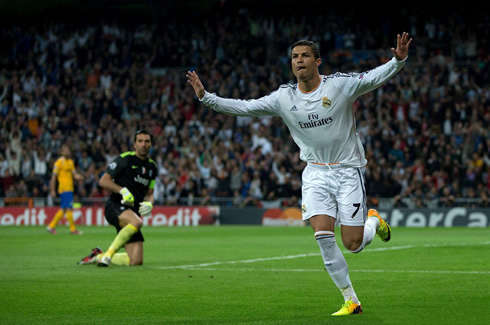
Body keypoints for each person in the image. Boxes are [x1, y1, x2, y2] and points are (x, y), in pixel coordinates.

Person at [187, 32, 412, 316]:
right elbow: (246, 107)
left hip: (346, 171)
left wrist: (398, 61)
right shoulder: (284, 97)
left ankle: (373, 221)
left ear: (318, 61)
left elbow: (371, 78)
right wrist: (207, 98)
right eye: (295, 57)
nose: (299, 61)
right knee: (323, 236)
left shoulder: (339, 86)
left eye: (305, 55)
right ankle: (351, 300)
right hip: (315, 174)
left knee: (353, 245)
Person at [78, 130, 158, 267]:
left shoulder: (152, 168)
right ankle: (108, 255)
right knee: (137, 222)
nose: (143, 144)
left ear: (151, 145)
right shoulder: (125, 159)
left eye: (147, 141)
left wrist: (150, 204)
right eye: (140, 141)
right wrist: (122, 190)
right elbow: (103, 181)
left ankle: (98, 256)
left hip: (132, 214)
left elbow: (150, 193)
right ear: (134, 144)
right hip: (115, 206)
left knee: (135, 261)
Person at [47, 144, 84, 234]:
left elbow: (74, 175)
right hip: (64, 188)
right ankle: (72, 229)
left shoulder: (71, 162)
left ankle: (51, 226)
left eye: (68, 150)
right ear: (61, 152)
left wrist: (79, 177)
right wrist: (52, 190)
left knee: (63, 209)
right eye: (65, 150)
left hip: (69, 188)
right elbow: (53, 177)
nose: (68, 152)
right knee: (69, 208)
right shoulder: (58, 162)